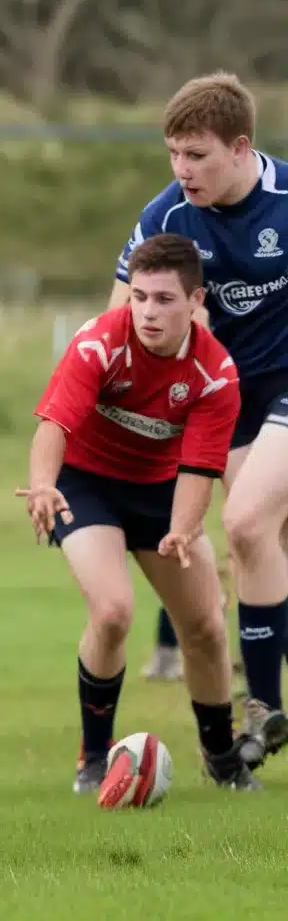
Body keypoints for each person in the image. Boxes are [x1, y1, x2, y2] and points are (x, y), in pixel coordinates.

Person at [22, 233, 256, 797]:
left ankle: (221, 757)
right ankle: (93, 757)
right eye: (140, 296)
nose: (148, 311)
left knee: (205, 625)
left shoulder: (216, 372)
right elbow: (55, 425)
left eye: (164, 299)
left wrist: (183, 530)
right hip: (84, 486)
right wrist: (43, 486)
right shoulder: (98, 344)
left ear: (196, 301)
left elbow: (199, 466)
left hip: (160, 492)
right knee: (112, 612)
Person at [108, 73, 288, 768]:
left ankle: (262, 707)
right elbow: (119, 317)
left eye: (197, 155)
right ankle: (268, 710)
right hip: (229, 402)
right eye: (174, 154)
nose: (182, 170)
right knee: (263, 544)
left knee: (243, 523)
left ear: (240, 148)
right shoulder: (166, 215)